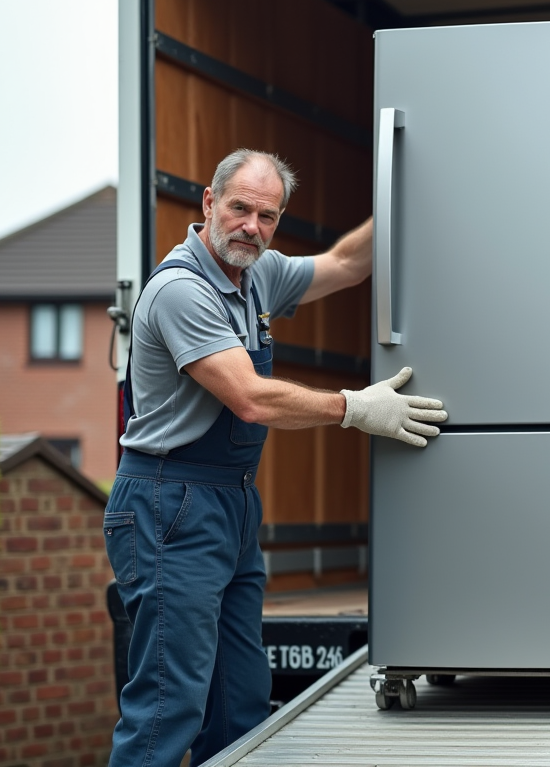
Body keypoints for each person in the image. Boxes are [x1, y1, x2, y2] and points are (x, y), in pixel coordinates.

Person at [104, 148, 447, 767]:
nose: (251, 228)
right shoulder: (182, 290)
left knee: (240, 702)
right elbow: (250, 398)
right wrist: (356, 407)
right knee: (166, 706)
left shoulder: (257, 273)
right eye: (239, 209)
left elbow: (346, 263)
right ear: (209, 204)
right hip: (168, 504)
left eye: (267, 216)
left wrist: (404, 200)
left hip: (230, 503)